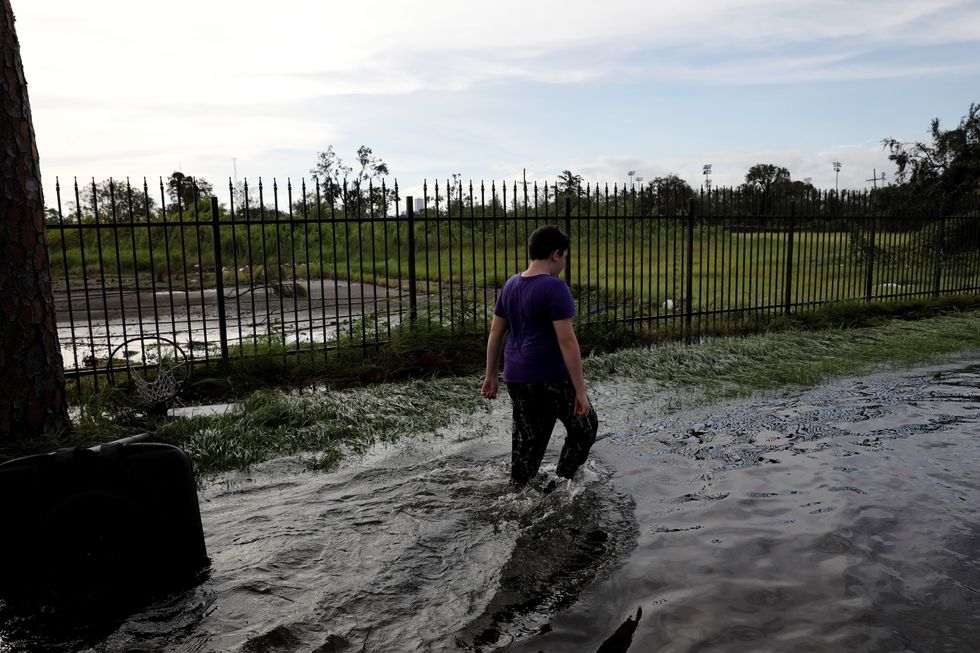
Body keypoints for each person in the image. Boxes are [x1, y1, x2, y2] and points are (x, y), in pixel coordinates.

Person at [481, 225, 598, 486]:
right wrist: (580, 390)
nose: (564, 263)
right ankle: (561, 482)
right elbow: (567, 341)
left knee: (528, 442)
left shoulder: (510, 285)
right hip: (550, 376)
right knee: (586, 427)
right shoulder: (555, 288)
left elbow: (495, 333)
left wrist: (491, 376)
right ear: (556, 254)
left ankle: (519, 489)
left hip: (516, 378)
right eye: (565, 256)